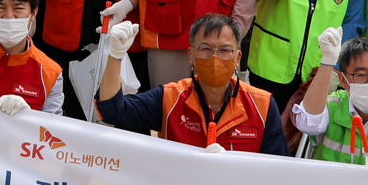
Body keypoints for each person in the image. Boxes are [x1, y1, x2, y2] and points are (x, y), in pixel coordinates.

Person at [94, 14, 288, 153]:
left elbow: (278, 171)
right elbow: (112, 111)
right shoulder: (170, 98)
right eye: (205, 49)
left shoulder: (262, 106)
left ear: (238, 58)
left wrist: (231, 165)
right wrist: (116, 55)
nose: (215, 57)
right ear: (191, 55)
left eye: (225, 50)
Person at [288, 33, 368, 165]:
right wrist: (328, 60)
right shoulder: (329, 107)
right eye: (360, 75)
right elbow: (308, 124)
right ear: (343, 81)